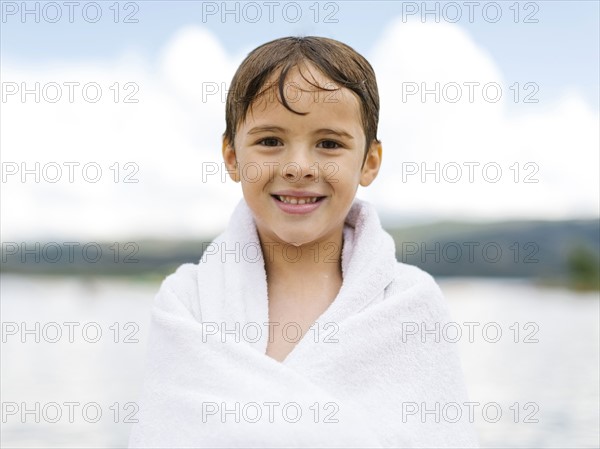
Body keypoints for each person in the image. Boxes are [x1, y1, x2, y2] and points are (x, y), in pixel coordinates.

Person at [129, 36, 479, 448]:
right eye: (270, 141)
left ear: (369, 162)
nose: (298, 167)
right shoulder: (188, 304)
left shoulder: (409, 304)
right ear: (231, 157)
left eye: (329, 144)